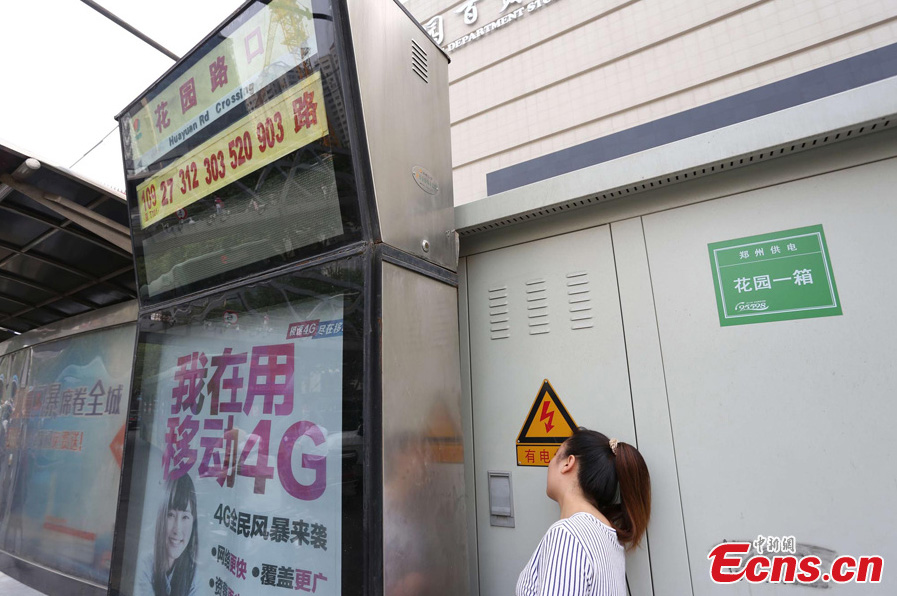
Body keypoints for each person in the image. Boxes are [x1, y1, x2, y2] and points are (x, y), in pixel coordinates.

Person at [516, 428, 651, 596]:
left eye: (555, 454)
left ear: (568, 463)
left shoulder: (567, 535)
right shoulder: (609, 536)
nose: (549, 464)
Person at [136, 474, 198, 596]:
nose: (177, 529)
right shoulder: (144, 566)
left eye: (185, 517)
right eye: (171, 515)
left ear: (193, 522)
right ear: (161, 518)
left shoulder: (195, 577)